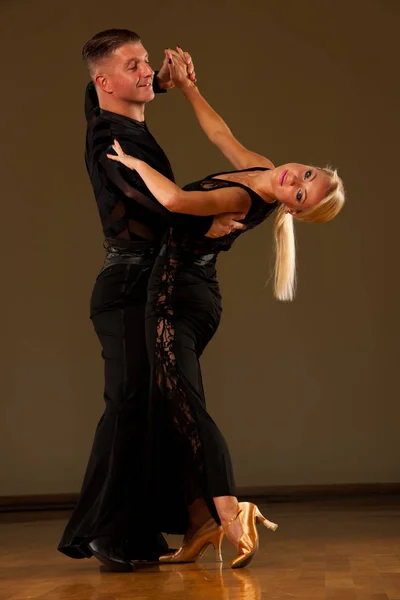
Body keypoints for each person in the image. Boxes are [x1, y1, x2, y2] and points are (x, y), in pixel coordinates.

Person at [105, 47, 345, 569]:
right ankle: (199, 527)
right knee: (172, 410)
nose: (296, 181)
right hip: (191, 295)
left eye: (303, 193)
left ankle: (231, 512)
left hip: (175, 300)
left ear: (293, 210)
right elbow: (220, 134)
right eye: (306, 173)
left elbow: (172, 202)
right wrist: (189, 87)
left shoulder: (244, 201)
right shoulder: (261, 169)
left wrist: (133, 163)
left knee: (186, 408)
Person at [57, 29, 245, 572]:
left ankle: (171, 522)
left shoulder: (109, 110)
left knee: (158, 405)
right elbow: (155, 202)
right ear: (104, 81)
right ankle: (106, 531)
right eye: (133, 64)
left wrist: (162, 82)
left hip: (150, 285)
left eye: (145, 61)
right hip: (125, 290)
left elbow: (105, 88)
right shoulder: (108, 138)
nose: (145, 70)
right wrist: (210, 224)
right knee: (130, 403)